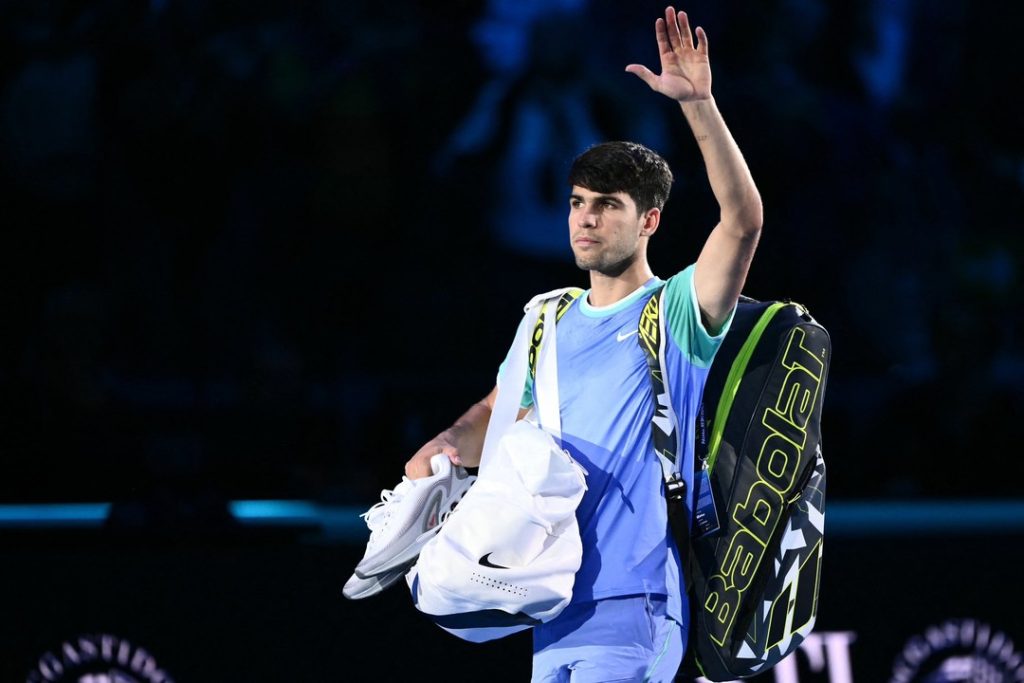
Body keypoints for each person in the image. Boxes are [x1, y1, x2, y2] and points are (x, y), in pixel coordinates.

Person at [404, 7, 762, 681]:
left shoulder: (678, 310)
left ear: (649, 219)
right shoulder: (545, 318)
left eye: (607, 205)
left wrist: (701, 106)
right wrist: (448, 444)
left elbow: (742, 223)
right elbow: (495, 413)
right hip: (554, 605)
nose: (586, 218)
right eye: (577, 203)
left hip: (640, 605)